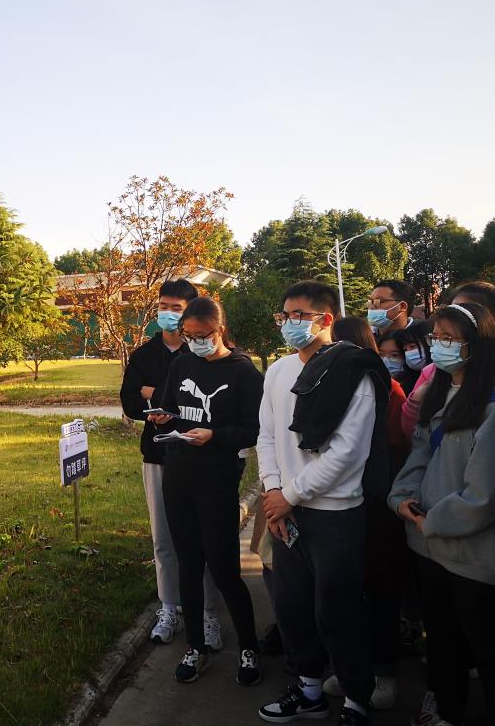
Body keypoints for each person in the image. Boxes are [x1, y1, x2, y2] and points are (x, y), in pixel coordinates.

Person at [389, 303, 495, 726]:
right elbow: (419, 454)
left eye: (449, 339)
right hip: (430, 548)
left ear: (476, 345)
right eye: (436, 337)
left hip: (477, 556)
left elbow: (488, 491)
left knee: (494, 653)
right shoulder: (439, 390)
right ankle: (446, 711)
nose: (438, 346)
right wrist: (402, 497)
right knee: (443, 642)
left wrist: (434, 521)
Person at [256, 281, 386, 726]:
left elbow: (348, 452)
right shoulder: (278, 372)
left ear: (325, 319)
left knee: (338, 611)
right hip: (285, 513)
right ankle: (308, 689)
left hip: (335, 515)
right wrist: (273, 491)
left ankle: (355, 699)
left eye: (299, 315)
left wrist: (289, 496)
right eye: (285, 315)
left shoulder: (353, 372)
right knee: (292, 606)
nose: (288, 323)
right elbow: (267, 435)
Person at [148, 296, 263, 686]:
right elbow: (171, 408)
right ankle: (195, 648)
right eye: (189, 335)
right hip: (179, 476)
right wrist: (163, 417)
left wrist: (215, 435)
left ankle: (248, 647)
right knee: (189, 565)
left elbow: (253, 430)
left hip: (217, 479)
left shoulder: (243, 372)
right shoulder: (182, 364)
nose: (195, 342)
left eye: (202, 335)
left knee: (225, 569)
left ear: (220, 330)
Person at [120, 279, 221, 646]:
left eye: (176, 308)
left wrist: (154, 392)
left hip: (200, 460)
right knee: (163, 539)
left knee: (202, 540)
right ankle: (169, 608)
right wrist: (154, 400)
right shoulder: (143, 355)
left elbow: (208, 400)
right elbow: (131, 401)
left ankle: (208, 613)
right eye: (163, 306)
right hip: (158, 457)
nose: (167, 313)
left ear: (192, 310)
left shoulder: (204, 353)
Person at [323, 317, 410, 711]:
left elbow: (395, 446)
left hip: (379, 507)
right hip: (341, 504)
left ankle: (384, 671)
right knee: (348, 595)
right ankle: (353, 669)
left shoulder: (387, 389)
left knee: (380, 593)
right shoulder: (329, 385)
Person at [401, 280, 495, 436]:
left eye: (465, 311)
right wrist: (415, 402)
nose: (454, 318)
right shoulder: (433, 371)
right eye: (453, 310)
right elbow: (413, 433)